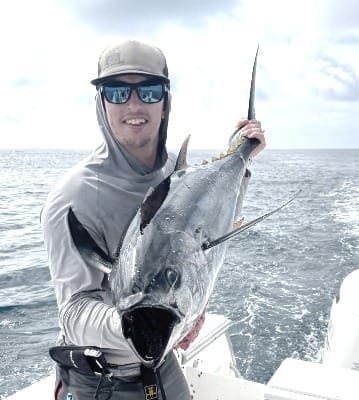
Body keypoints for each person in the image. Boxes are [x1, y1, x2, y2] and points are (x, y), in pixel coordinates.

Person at [41, 39, 266, 400]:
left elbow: (206, 238)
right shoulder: (73, 196)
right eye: (117, 92)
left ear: (166, 102)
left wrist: (243, 156)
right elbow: (74, 313)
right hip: (103, 381)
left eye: (147, 91)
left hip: (161, 363)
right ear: (101, 103)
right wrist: (145, 323)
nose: (133, 105)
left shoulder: (178, 174)